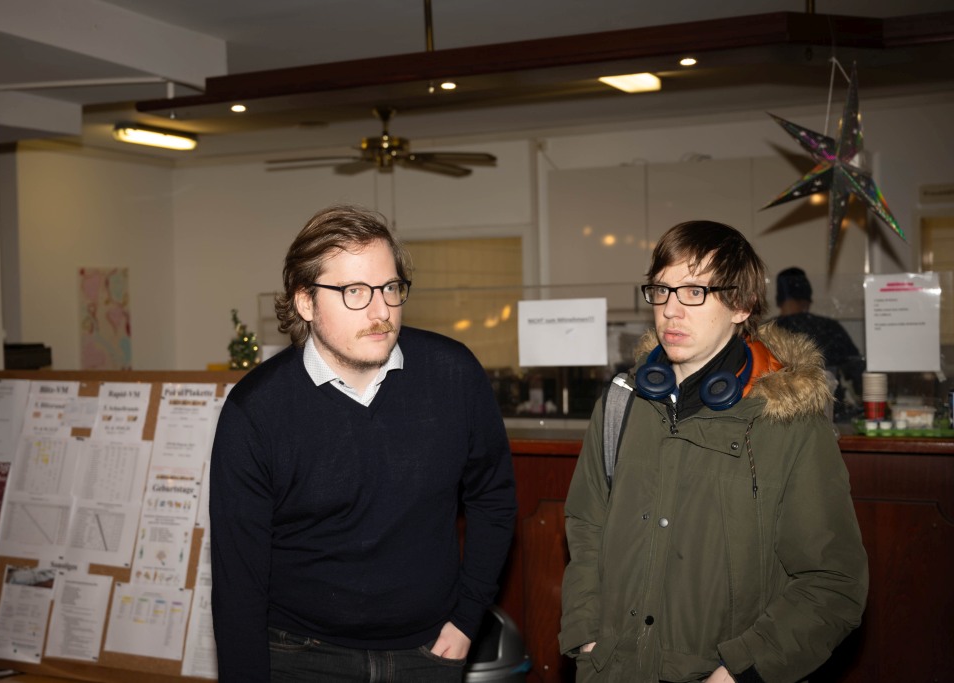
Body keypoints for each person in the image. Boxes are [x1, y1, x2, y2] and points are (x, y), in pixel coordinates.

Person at [209, 205, 517, 682]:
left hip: (428, 651)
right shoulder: (256, 410)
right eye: (354, 291)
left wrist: (467, 618)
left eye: (390, 288)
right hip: (300, 654)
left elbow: (493, 498)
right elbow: (237, 579)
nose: (380, 312)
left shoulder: (453, 374)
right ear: (305, 302)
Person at [560, 221, 868, 683]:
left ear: (742, 305)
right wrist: (588, 639)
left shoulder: (790, 423)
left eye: (694, 292)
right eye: (661, 290)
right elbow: (586, 528)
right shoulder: (621, 403)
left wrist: (737, 673)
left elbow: (832, 583)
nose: (671, 310)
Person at [773, 267, 864, 415]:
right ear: (808, 300)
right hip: (827, 416)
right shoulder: (829, 328)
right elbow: (857, 371)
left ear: (778, 301)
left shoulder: (766, 332)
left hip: (779, 416)